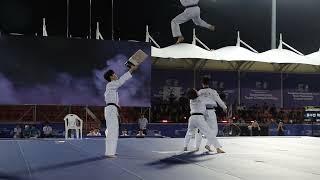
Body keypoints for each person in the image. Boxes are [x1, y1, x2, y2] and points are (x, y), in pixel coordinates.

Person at [103, 65, 138, 158]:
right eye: (114, 73)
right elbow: (121, 81)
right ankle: (109, 152)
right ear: (111, 76)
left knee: (112, 130)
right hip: (110, 109)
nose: (116, 74)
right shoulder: (110, 84)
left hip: (112, 109)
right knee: (112, 130)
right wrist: (131, 70)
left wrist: (117, 106)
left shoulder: (111, 88)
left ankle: (111, 150)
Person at [183, 89, 223, 153]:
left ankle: (185, 147)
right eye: (196, 91)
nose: (197, 91)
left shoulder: (191, 100)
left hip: (192, 118)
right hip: (199, 118)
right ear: (195, 93)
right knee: (209, 132)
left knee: (189, 132)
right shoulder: (202, 99)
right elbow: (213, 103)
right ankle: (218, 148)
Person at [194, 77, 226, 153]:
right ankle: (208, 144)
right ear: (209, 83)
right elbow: (219, 100)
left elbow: (195, 102)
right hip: (210, 111)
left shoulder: (199, 92)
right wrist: (224, 107)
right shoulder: (213, 91)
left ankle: (197, 147)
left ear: (202, 83)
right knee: (214, 129)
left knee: (199, 130)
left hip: (201, 112)